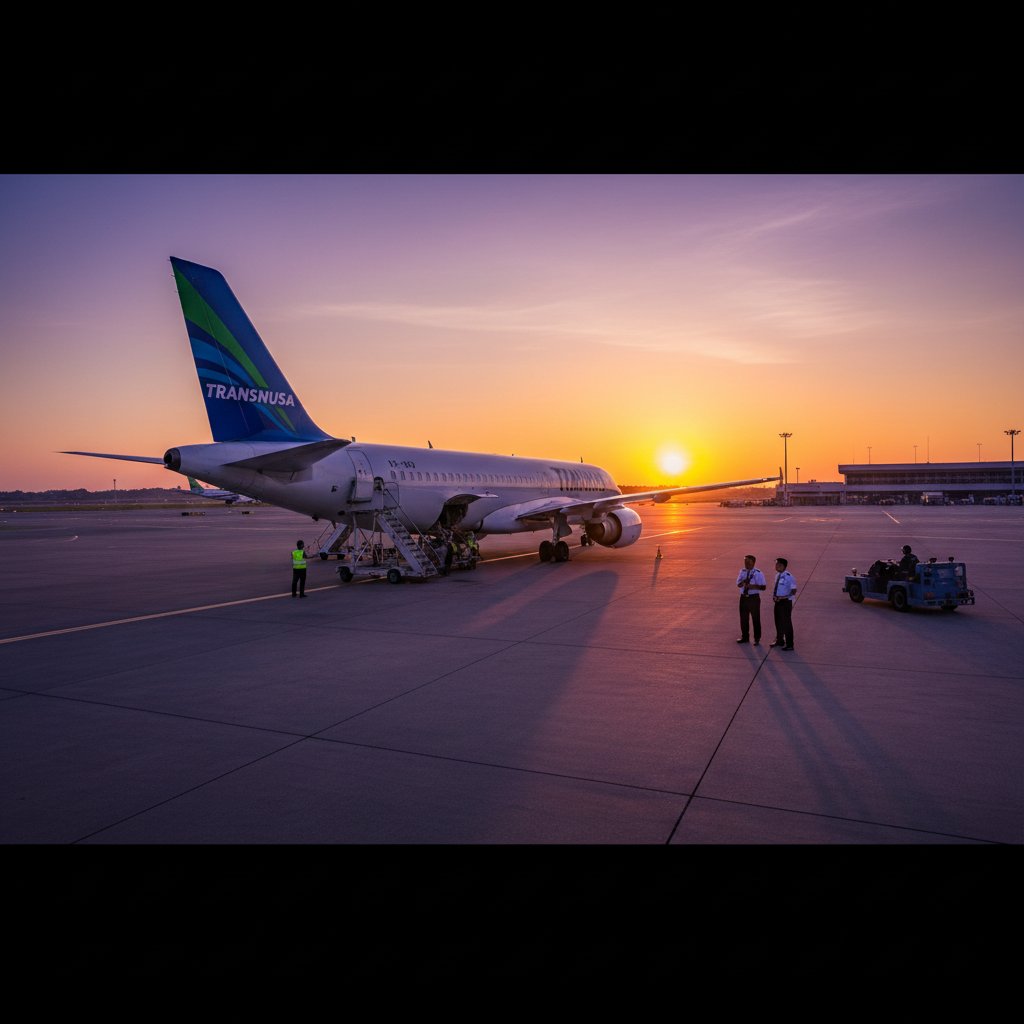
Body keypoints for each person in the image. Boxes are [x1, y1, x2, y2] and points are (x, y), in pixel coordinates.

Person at [735, 554, 766, 644]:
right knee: (743, 618)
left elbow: (763, 587)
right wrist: (743, 581)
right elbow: (738, 584)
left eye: (748, 562)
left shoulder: (758, 573)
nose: (746, 563)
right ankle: (745, 637)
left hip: (753, 598)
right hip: (743, 598)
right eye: (745, 561)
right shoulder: (742, 571)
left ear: (753, 562)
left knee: (755, 618)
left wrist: (752, 586)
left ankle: (757, 638)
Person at [770, 557, 797, 651]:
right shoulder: (777, 575)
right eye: (776, 564)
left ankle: (789, 644)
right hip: (777, 602)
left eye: (779, 565)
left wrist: (782, 597)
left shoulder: (789, 577)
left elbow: (794, 591)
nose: (777, 566)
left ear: (784, 566)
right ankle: (780, 640)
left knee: (786, 623)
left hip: (785, 603)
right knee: (778, 622)